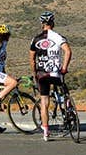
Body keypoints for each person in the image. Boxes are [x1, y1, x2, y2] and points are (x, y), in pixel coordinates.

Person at [29, 11, 72, 142]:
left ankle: (46, 132)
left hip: (41, 74)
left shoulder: (35, 39)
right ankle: (67, 106)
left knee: (44, 102)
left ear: (42, 24)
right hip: (55, 73)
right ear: (53, 23)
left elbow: (32, 59)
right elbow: (68, 51)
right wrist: (64, 67)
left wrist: (34, 73)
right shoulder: (58, 37)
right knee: (64, 93)